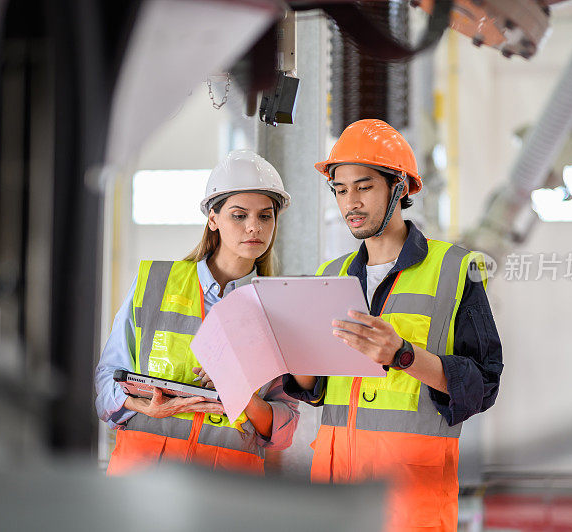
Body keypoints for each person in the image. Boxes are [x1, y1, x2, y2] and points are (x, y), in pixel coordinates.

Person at [282, 120, 503, 531]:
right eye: (341, 190)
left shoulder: (456, 269)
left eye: (364, 187)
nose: (351, 202)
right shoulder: (330, 274)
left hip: (407, 497)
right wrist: (288, 350)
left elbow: (482, 386)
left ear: (399, 187)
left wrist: (402, 356)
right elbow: (314, 388)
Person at [96, 149, 299, 476]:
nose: (253, 227)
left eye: (265, 215)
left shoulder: (280, 308)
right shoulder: (156, 284)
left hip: (228, 489)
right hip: (142, 480)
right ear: (213, 218)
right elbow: (107, 380)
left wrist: (242, 394)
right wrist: (140, 405)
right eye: (238, 215)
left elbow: (284, 427)